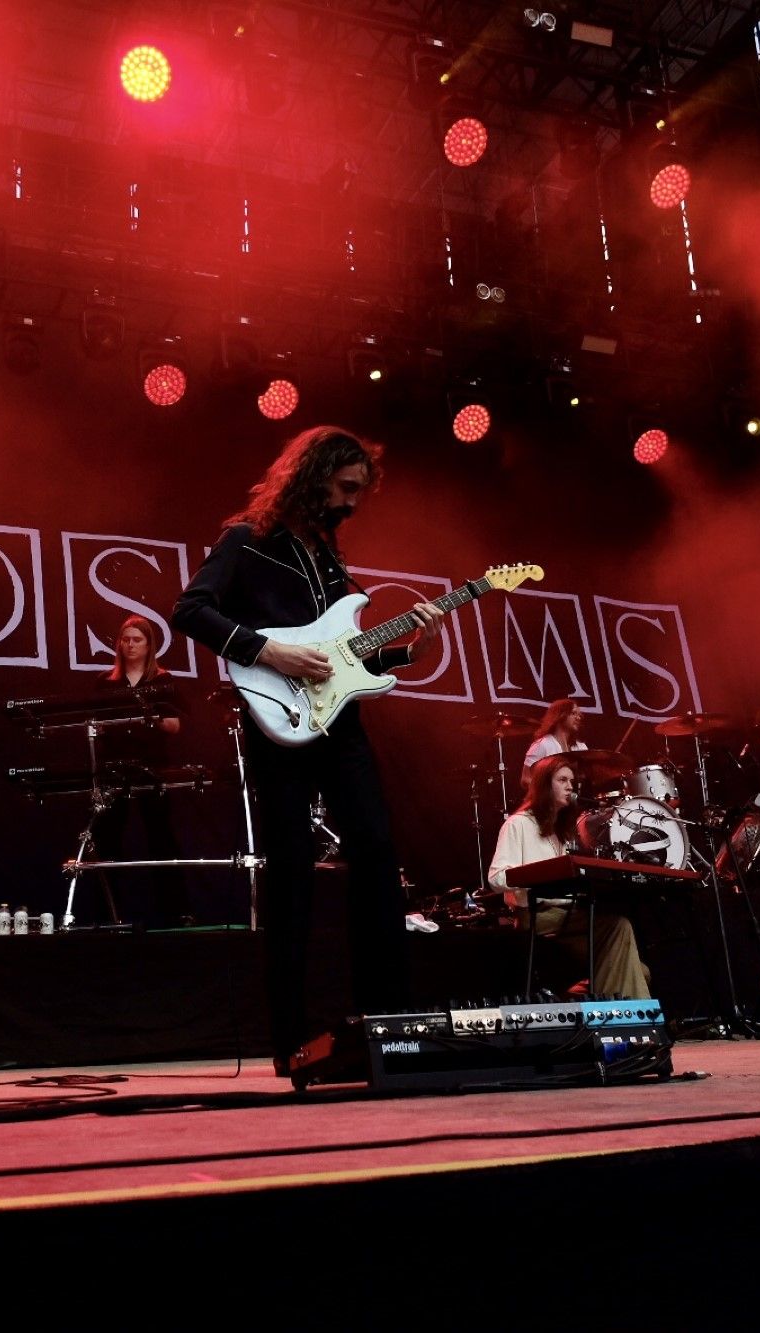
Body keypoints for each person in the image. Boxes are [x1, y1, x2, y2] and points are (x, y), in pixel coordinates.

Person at [172, 425, 446, 1072]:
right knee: (290, 870)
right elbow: (191, 610)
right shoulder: (248, 540)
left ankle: (391, 1019)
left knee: (377, 855)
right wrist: (265, 648)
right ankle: (287, 1038)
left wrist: (410, 650)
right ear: (314, 473)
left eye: (360, 492)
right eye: (347, 487)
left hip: (341, 723)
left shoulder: (328, 559)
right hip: (280, 719)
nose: (353, 502)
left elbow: (346, 655)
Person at [488, 754, 652, 999]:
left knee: (641, 970)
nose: (570, 786)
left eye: (572, 782)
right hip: (536, 915)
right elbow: (496, 877)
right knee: (619, 926)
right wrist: (539, 875)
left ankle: (588, 1003)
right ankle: (631, 1018)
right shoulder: (518, 824)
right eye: (562, 780)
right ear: (544, 785)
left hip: (568, 916)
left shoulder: (561, 831)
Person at [88, 614, 190, 927]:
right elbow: (94, 724)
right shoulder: (106, 682)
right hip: (114, 768)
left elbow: (175, 725)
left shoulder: (163, 680)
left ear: (149, 645)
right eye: (126, 639)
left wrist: (149, 715)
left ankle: (174, 912)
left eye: (137, 640)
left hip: (152, 768)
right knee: (107, 840)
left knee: (161, 838)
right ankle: (107, 915)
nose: (130, 645)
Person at [522, 699, 590, 784]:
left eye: (579, 715)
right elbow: (525, 779)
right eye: (573, 713)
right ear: (560, 715)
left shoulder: (581, 747)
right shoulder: (542, 745)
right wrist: (549, 792)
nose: (578, 718)